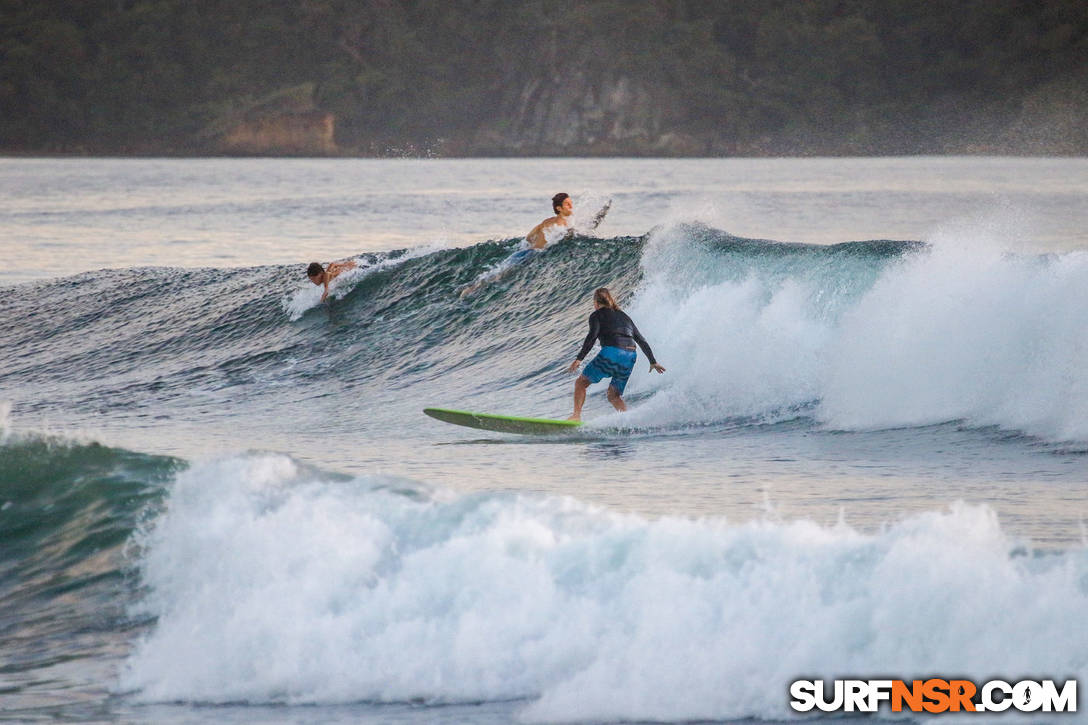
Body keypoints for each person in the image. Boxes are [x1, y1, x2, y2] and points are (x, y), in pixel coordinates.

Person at [567, 287, 665, 420]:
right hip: (630, 356)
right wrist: (653, 361)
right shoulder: (625, 316)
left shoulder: (596, 315)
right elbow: (641, 340)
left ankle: (576, 416)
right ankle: (626, 421)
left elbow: (592, 336)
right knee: (614, 395)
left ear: (596, 302)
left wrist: (579, 359)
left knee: (580, 383)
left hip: (612, 352)